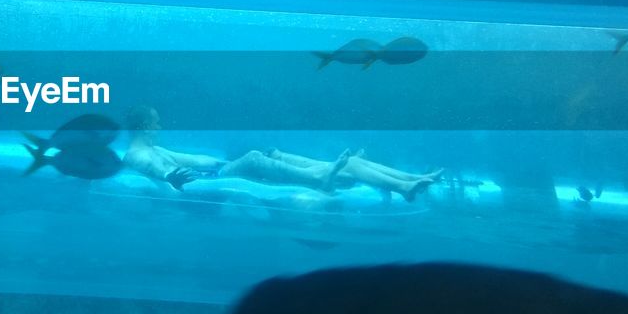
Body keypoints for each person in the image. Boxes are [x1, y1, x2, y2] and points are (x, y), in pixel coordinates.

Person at [121, 106, 440, 202]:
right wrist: (166, 176)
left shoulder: (156, 148)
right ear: (146, 125)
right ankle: (319, 179)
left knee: (350, 163)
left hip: (211, 173)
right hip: (202, 185)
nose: (160, 127)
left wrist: (217, 162)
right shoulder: (137, 153)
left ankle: (408, 182)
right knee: (255, 158)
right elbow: (146, 166)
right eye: (157, 123)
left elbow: (195, 160)